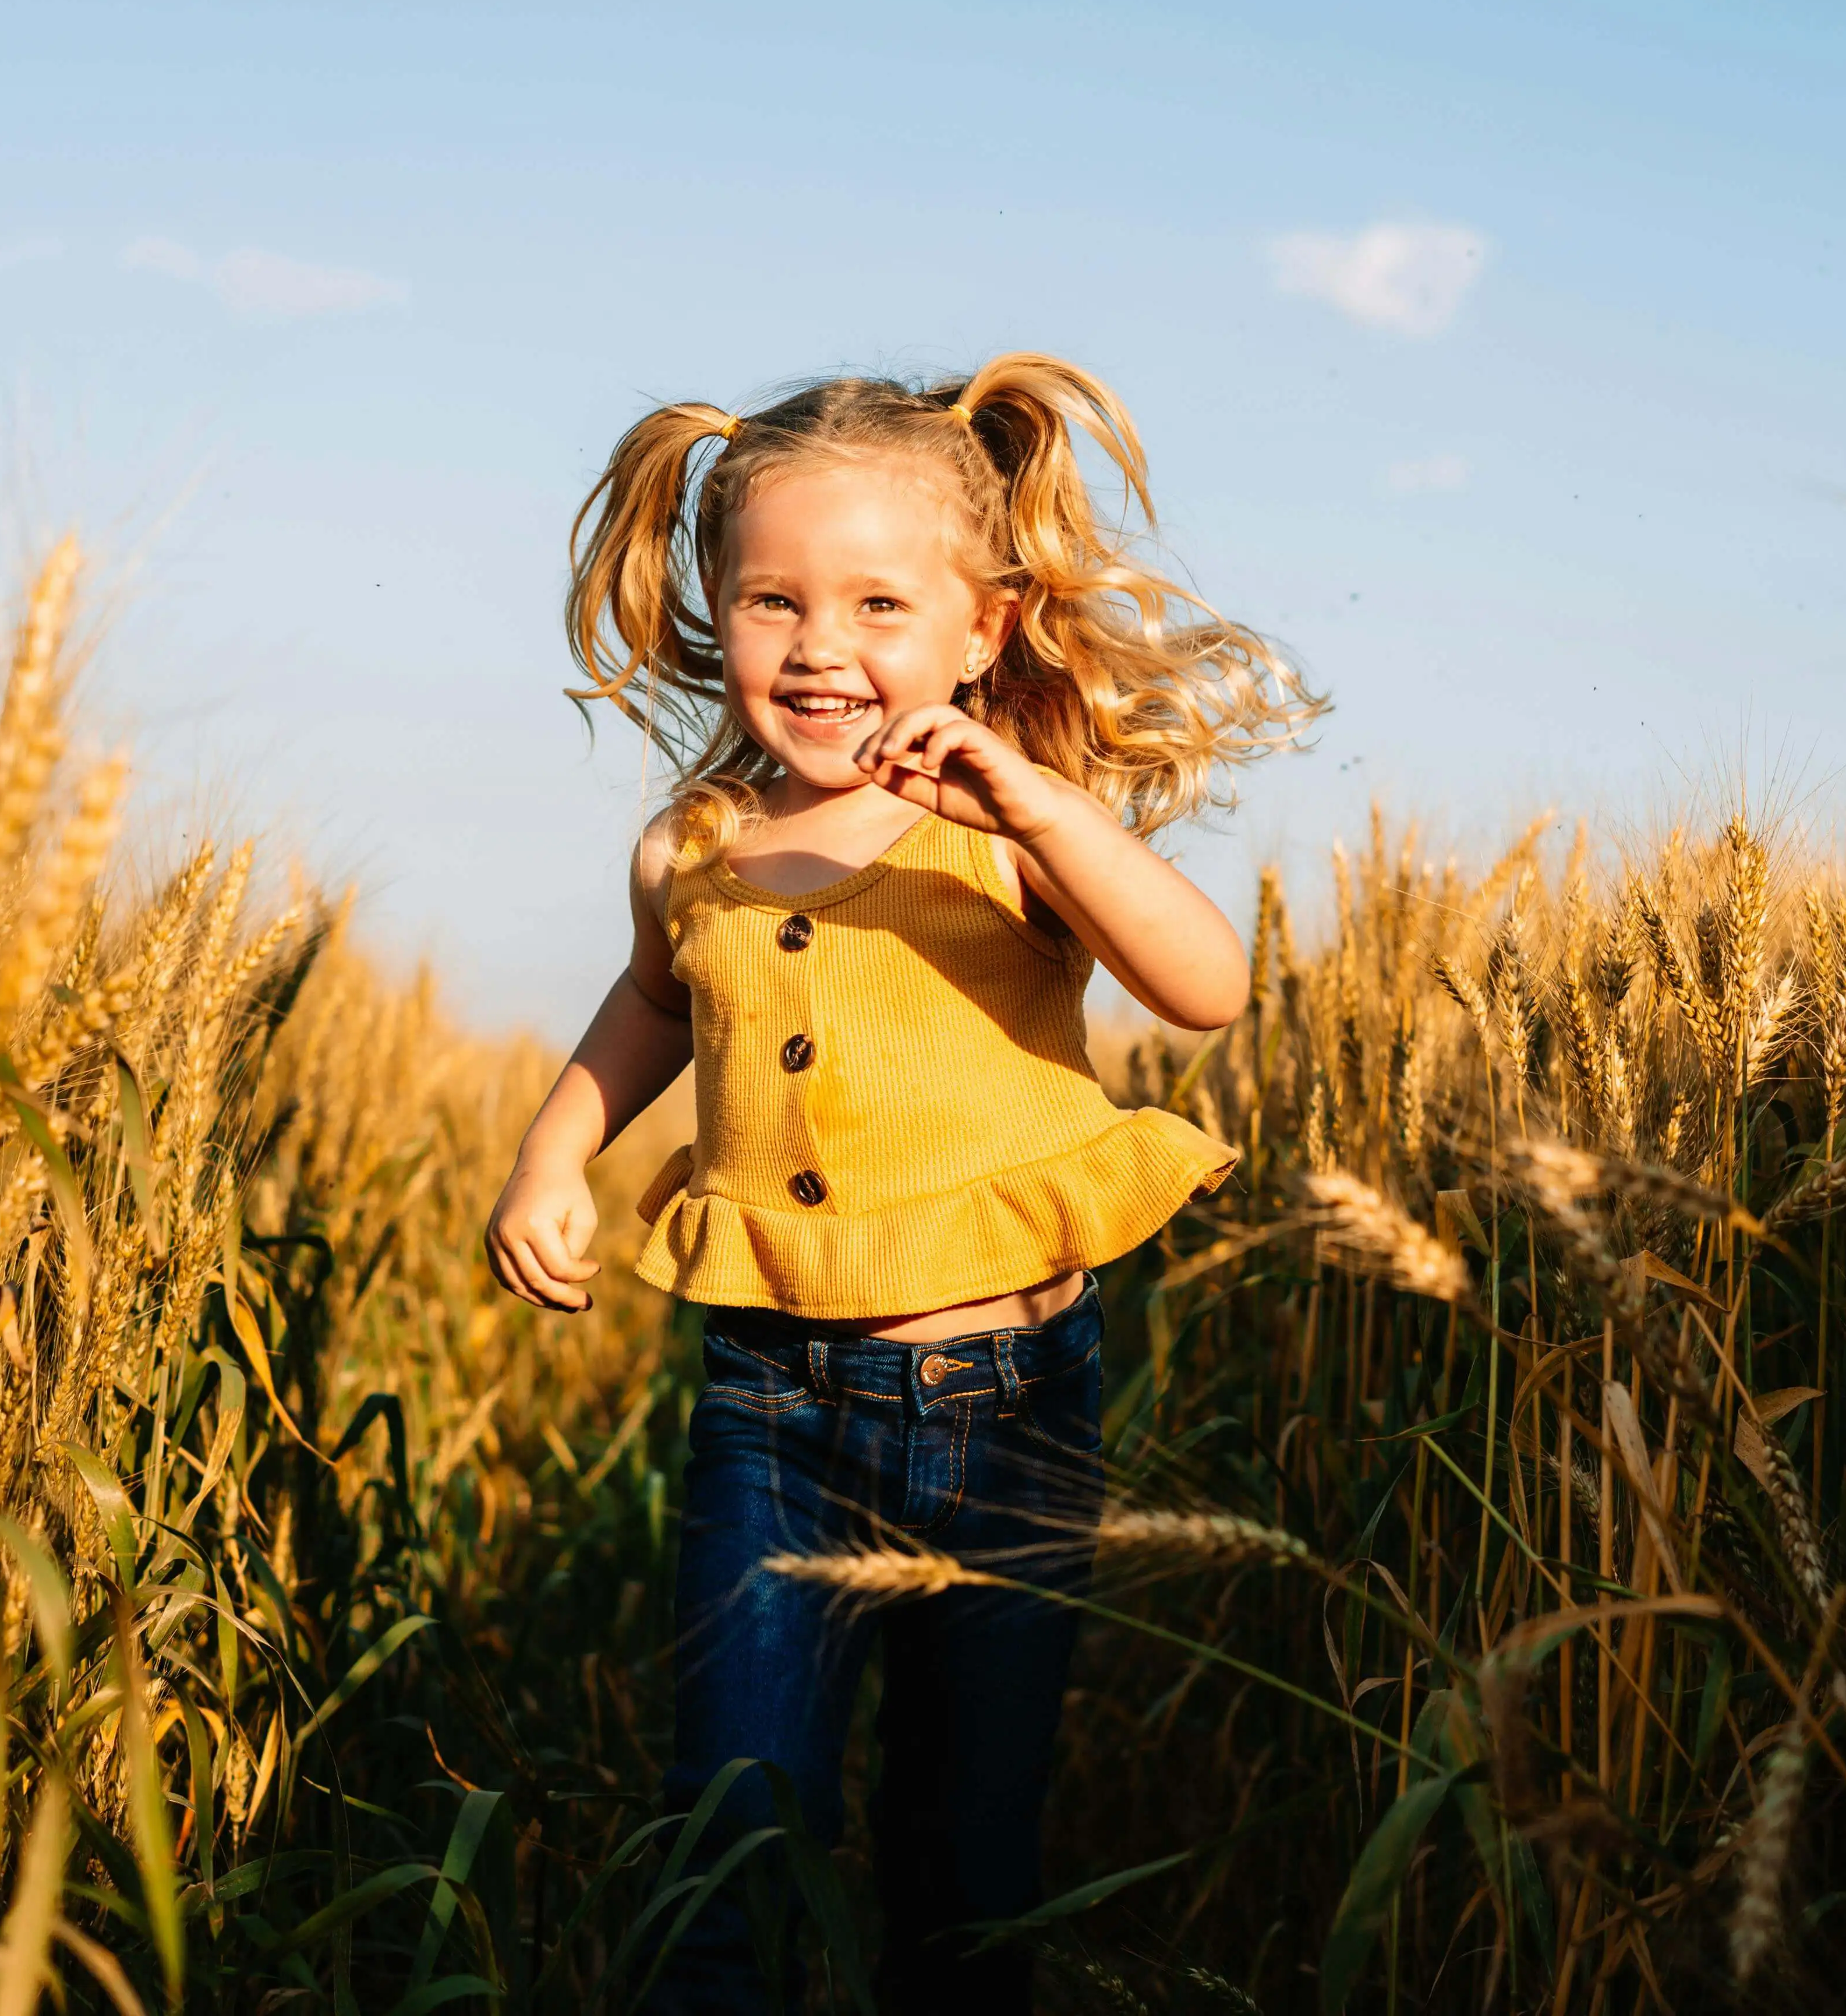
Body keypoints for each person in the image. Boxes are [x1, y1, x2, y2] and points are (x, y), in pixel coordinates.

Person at [483, 354, 1320, 2013]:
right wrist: (553, 1150)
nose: (822, 647)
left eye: (879, 604)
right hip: (771, 1410)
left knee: (967, 1855)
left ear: (981, 630)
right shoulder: (691, 847)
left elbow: (1207, 986)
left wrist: (1044, 809)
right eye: (774, 602)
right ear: (720, 614)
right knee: (731, 1829)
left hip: (1011, 1409)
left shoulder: (1012, 828)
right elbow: (654, 1003)